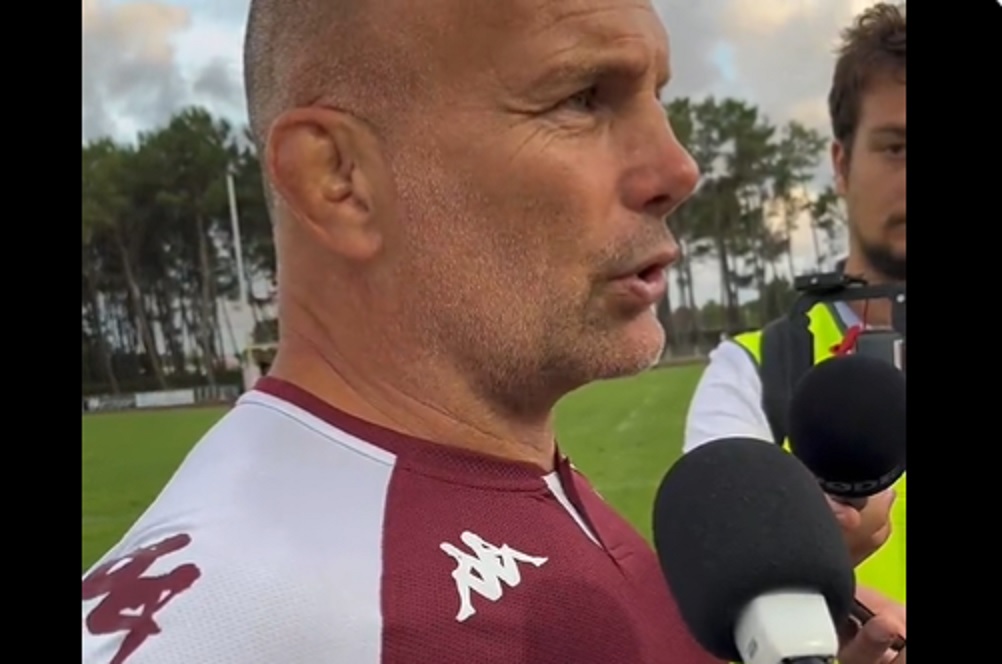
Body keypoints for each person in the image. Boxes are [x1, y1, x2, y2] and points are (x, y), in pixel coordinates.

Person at [81, 1, 903, 663]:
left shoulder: (503, 470)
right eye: (582, 98)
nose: (677, 168)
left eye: (658, 96)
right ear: (339, 178)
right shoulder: (224, 624)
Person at [684, 0, 906, 654]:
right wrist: (817, 577)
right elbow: (720, 579)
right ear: (840, 163)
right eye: (898, 147)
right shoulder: (753, 371)